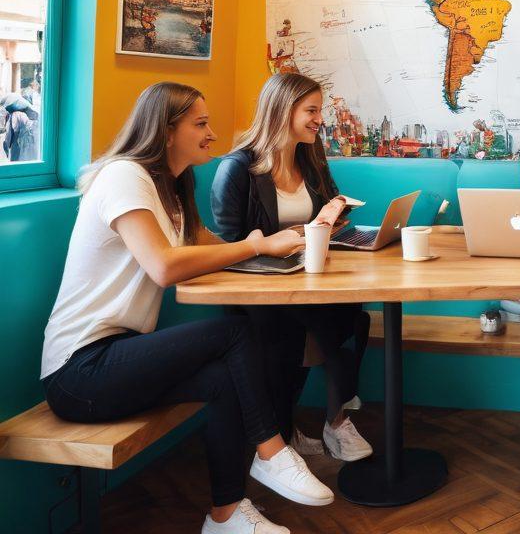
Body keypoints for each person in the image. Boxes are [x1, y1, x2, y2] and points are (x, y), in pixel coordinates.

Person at [41, 82, 334, 534]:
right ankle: (272, 453)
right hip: (78, 371)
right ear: (166, 129)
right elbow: (163, 266)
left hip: (119, 355)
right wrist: (255, 244)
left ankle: (225, 516)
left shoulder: (171, 189)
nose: (212, 134)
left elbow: (214, 249)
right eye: (200, 124)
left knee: (224, 379)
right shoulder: (124, 175)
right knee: (234, 335)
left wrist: (275, 252)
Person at [212, 73, 371, 463]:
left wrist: (334, 218)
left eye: (320, 110)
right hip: (260, 286)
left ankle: (332, 422)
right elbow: (229, 244)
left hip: (308, 276)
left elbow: (330, 209)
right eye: (311, 110)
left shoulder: (311, 158)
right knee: (311, 327)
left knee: (355, 317)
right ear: (283, 110)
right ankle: (296, 432)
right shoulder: (238, 168)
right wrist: (288, 239)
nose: (320, 120)